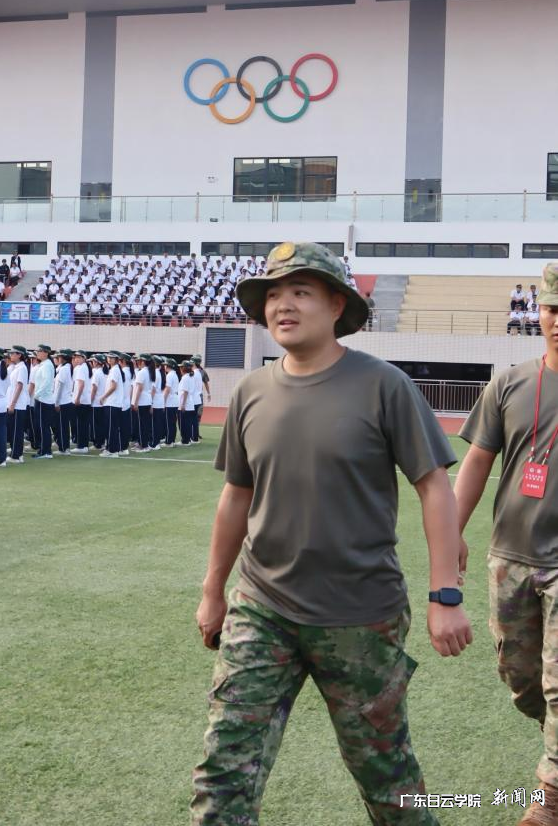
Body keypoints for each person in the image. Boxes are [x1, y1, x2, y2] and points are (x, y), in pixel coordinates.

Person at [190, 241, 472, 825]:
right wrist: (213, 591)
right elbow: (236, 497)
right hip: (262, 607)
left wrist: (445, 593)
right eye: (273, 294)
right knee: (224, 769)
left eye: (300, 292)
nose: (283, 305)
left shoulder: (383, 385)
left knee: (387, 777)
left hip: (360, 614)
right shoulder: (251, 392)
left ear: (337, 305)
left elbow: (433, 487)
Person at [454, 262, 558, 823]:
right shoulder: (510, 383)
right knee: (522, 680)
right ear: (538, 313)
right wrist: (450, 532)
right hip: (510, 556)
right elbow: (476, 463)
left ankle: (550, 799)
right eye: (552, 309)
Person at [30, 344, 56, 459]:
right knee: (41, 426)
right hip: (42, 399)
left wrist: (37, 394)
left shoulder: (47, 365)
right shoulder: (44, 364)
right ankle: (44, 450)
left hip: (43, 400)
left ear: (46, 353)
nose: (37, 353)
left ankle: (45, 451)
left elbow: (47, 382)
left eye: (39, 351)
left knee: (43, 426)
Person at [6, 345, 30, 464]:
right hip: (14, 403)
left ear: (19, 355)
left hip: (18, 404)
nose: (11, 355)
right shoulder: (16, 367)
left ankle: (16, 456)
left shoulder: (22, 368)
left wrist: (13, 403)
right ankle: (18, 454)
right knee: (14, 430)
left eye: (13, 353)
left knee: (16, 431)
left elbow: (19, 386)